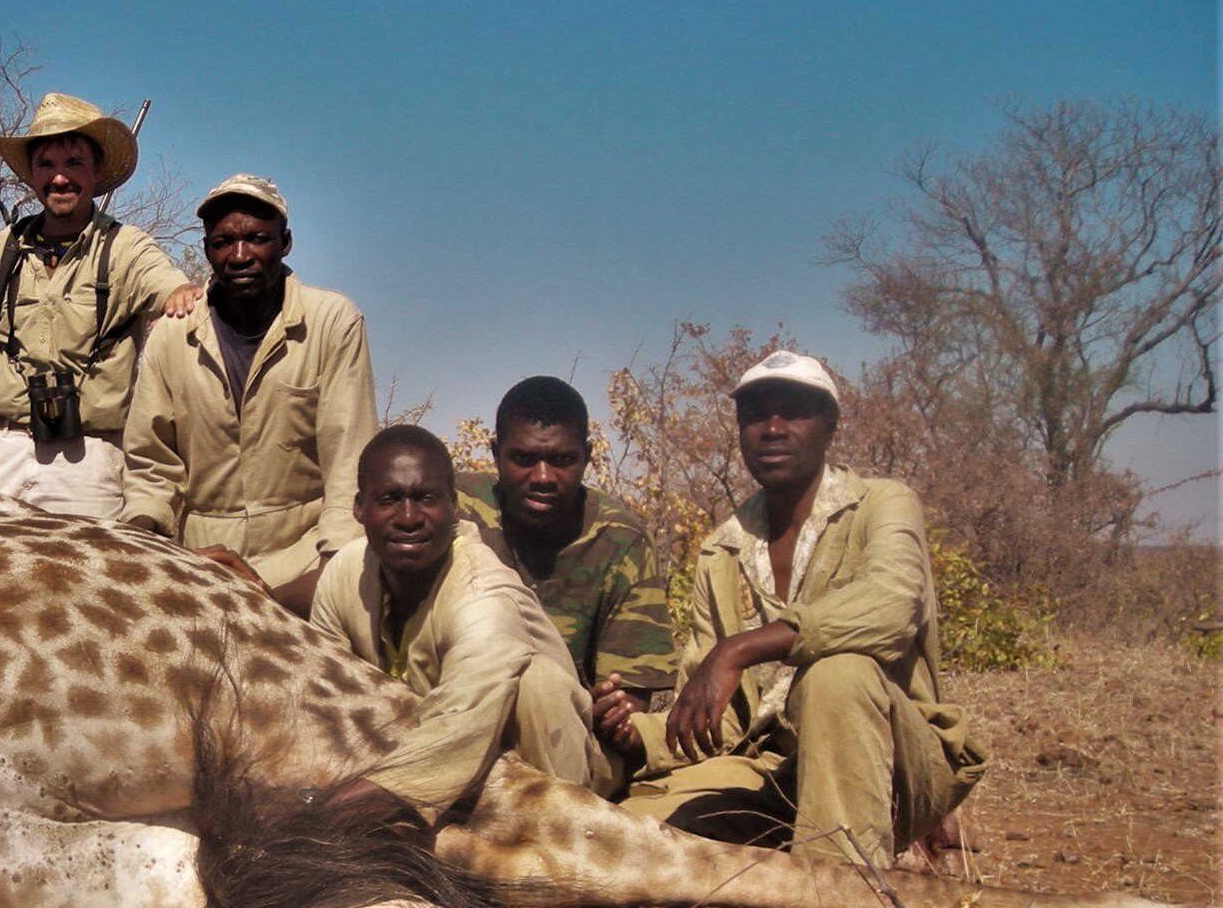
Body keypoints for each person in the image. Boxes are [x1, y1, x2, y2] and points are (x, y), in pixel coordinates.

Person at [613, 350, 988, 875]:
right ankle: (783, 902)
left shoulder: (883, 504)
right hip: (772, 772)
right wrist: (634, 734)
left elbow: (892, 605)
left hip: (891, 765)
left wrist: (739, 647)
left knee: (838, 675)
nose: (772, 428)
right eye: (755, 416)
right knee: (621, 838)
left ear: (830, 425)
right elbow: (727, 721)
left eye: (794, 412)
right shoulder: (722, 551)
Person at [308, 426, 601, 833]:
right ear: (359, 508)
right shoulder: (344, 572)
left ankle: (572, 835)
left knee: (537, 683)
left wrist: (326, 810)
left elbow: (461, 728)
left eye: (426, 499)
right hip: (421, 768)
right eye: (389, 499)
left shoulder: (483, 593)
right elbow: (325, 701)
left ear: (454, 505)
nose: (409, 519)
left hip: (540, 761)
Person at [122, 175, 376, 616]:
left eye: (258, 239)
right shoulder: (170, 336)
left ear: (286, 243)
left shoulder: (333, 322)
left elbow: (348, 461)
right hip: (201, 566)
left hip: (305, 558)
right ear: (207, 251)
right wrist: (139, 552)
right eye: (224, 242)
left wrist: (331, 576)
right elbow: (151, 469)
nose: (240, 256)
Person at [0, 94, 200, 517]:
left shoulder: (126, 247)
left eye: (74, 163)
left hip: (87, 461)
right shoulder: (3, 248)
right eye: (46, 165)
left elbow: (171, 290)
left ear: (97, 173)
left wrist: (184, 292)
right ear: (32, 176)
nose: (59, 178)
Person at [454, 375, 676, 793]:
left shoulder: (621, 540)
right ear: (495, 453)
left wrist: (613, 712)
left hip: (570, 737)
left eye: (562, 460)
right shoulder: (454, 505)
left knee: (540, 685)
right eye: (522, 458)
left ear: (588, 457)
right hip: (458, 714)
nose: (542, 476)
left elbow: (630, 703)